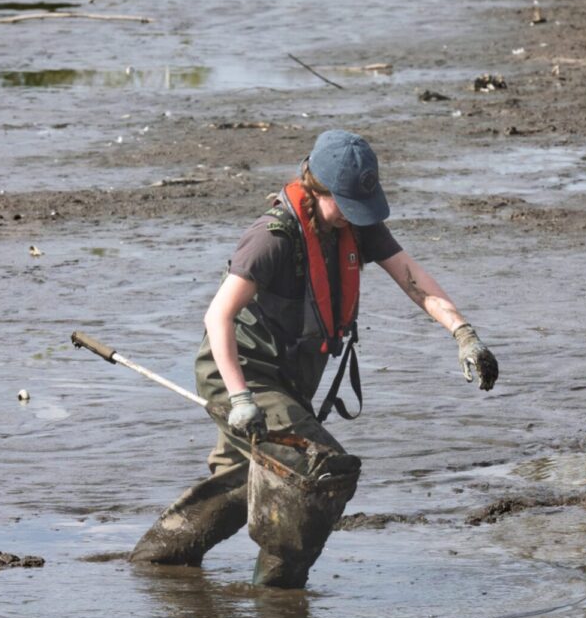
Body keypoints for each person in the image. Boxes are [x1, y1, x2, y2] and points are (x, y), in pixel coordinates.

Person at [130, 129, 499, 587]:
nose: (351, 217)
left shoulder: (353, 226)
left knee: (243, 480)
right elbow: (217, 316)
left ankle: (157, 565)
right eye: (343, 204)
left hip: (288, 382)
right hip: (240, 375)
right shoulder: (272, 238)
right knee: (319, 469)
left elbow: (411, 277)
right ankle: (278, 594)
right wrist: (241, 399)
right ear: (315, 186)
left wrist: (463, 333)